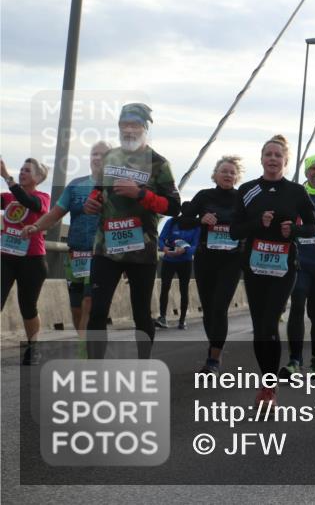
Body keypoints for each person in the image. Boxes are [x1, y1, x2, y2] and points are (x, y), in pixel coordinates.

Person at [84, 103, 182, 360]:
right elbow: (99, 190)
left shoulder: (159, 163)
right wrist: (92, 202)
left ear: (145, 129)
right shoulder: (110, 157)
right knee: (97, 310)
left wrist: (140, 194)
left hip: (142, 248)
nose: (128, 130)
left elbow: (174, 207)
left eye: (134, 125)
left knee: (140, 313)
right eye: (123, 125)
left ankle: (143, 365)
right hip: (106, 247)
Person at [230, 134, 315, 405]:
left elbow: (313, 228)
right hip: (255, 267)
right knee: (260, 329)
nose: (272, 159)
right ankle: (267, 380)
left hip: (284, 267)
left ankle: (269, 388)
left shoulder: (296, 192)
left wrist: (294, 230)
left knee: (270, 323)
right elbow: (234, 231)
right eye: (268, 154)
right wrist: (257, 222)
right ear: (261, 159)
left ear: (286, 161)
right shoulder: (247, 190)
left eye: (278, 155)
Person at [25, 141, 111, 346]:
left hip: (101, 255)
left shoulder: (116, 188)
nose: (97, 158)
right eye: (94, 154)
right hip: (75, 256)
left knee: (89, 303)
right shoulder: (76, 186)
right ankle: (87, 344)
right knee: (76, 308)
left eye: (102, 154)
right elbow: (55, 213)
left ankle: (88, 352)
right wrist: (35, 227)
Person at [176, 155, 245, 374]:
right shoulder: (204, 196)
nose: (228, 175)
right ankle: (215, 345)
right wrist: (200, 220)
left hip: (232, 260)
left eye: (232, 172)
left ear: (237, 177)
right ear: (215, 174)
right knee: (208, 310)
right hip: (206, 258)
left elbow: (252, 225)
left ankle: (213, 359)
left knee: (219, 307)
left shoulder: (242, 199)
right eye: (224, 171)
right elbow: (183, 220)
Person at [280, 154, 315, 377]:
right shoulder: (295, 195)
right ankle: (294, 361)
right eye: (314, 169)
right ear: (306, 172)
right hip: (299, 263)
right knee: (297, 308)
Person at [2, 157, 52, 365]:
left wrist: (6, 176)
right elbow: (16, 196)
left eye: (27, 171)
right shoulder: (7, 197)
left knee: (28, 307)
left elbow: (28, 202)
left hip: (32, 260)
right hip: (6, 257)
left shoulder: (42, 197)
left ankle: (34, 346)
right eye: (21, 169)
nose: (22, 173)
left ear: (38, 178)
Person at [155, 216, 200, 329]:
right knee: (165, 287)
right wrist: (164, 248)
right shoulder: (171, 222)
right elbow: (160, 238)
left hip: (185, 261)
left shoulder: (196, 226)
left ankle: (182, 319)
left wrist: (185, 250)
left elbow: (196, 246)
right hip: (169, 260)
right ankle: (162, 317)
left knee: (184, 290)